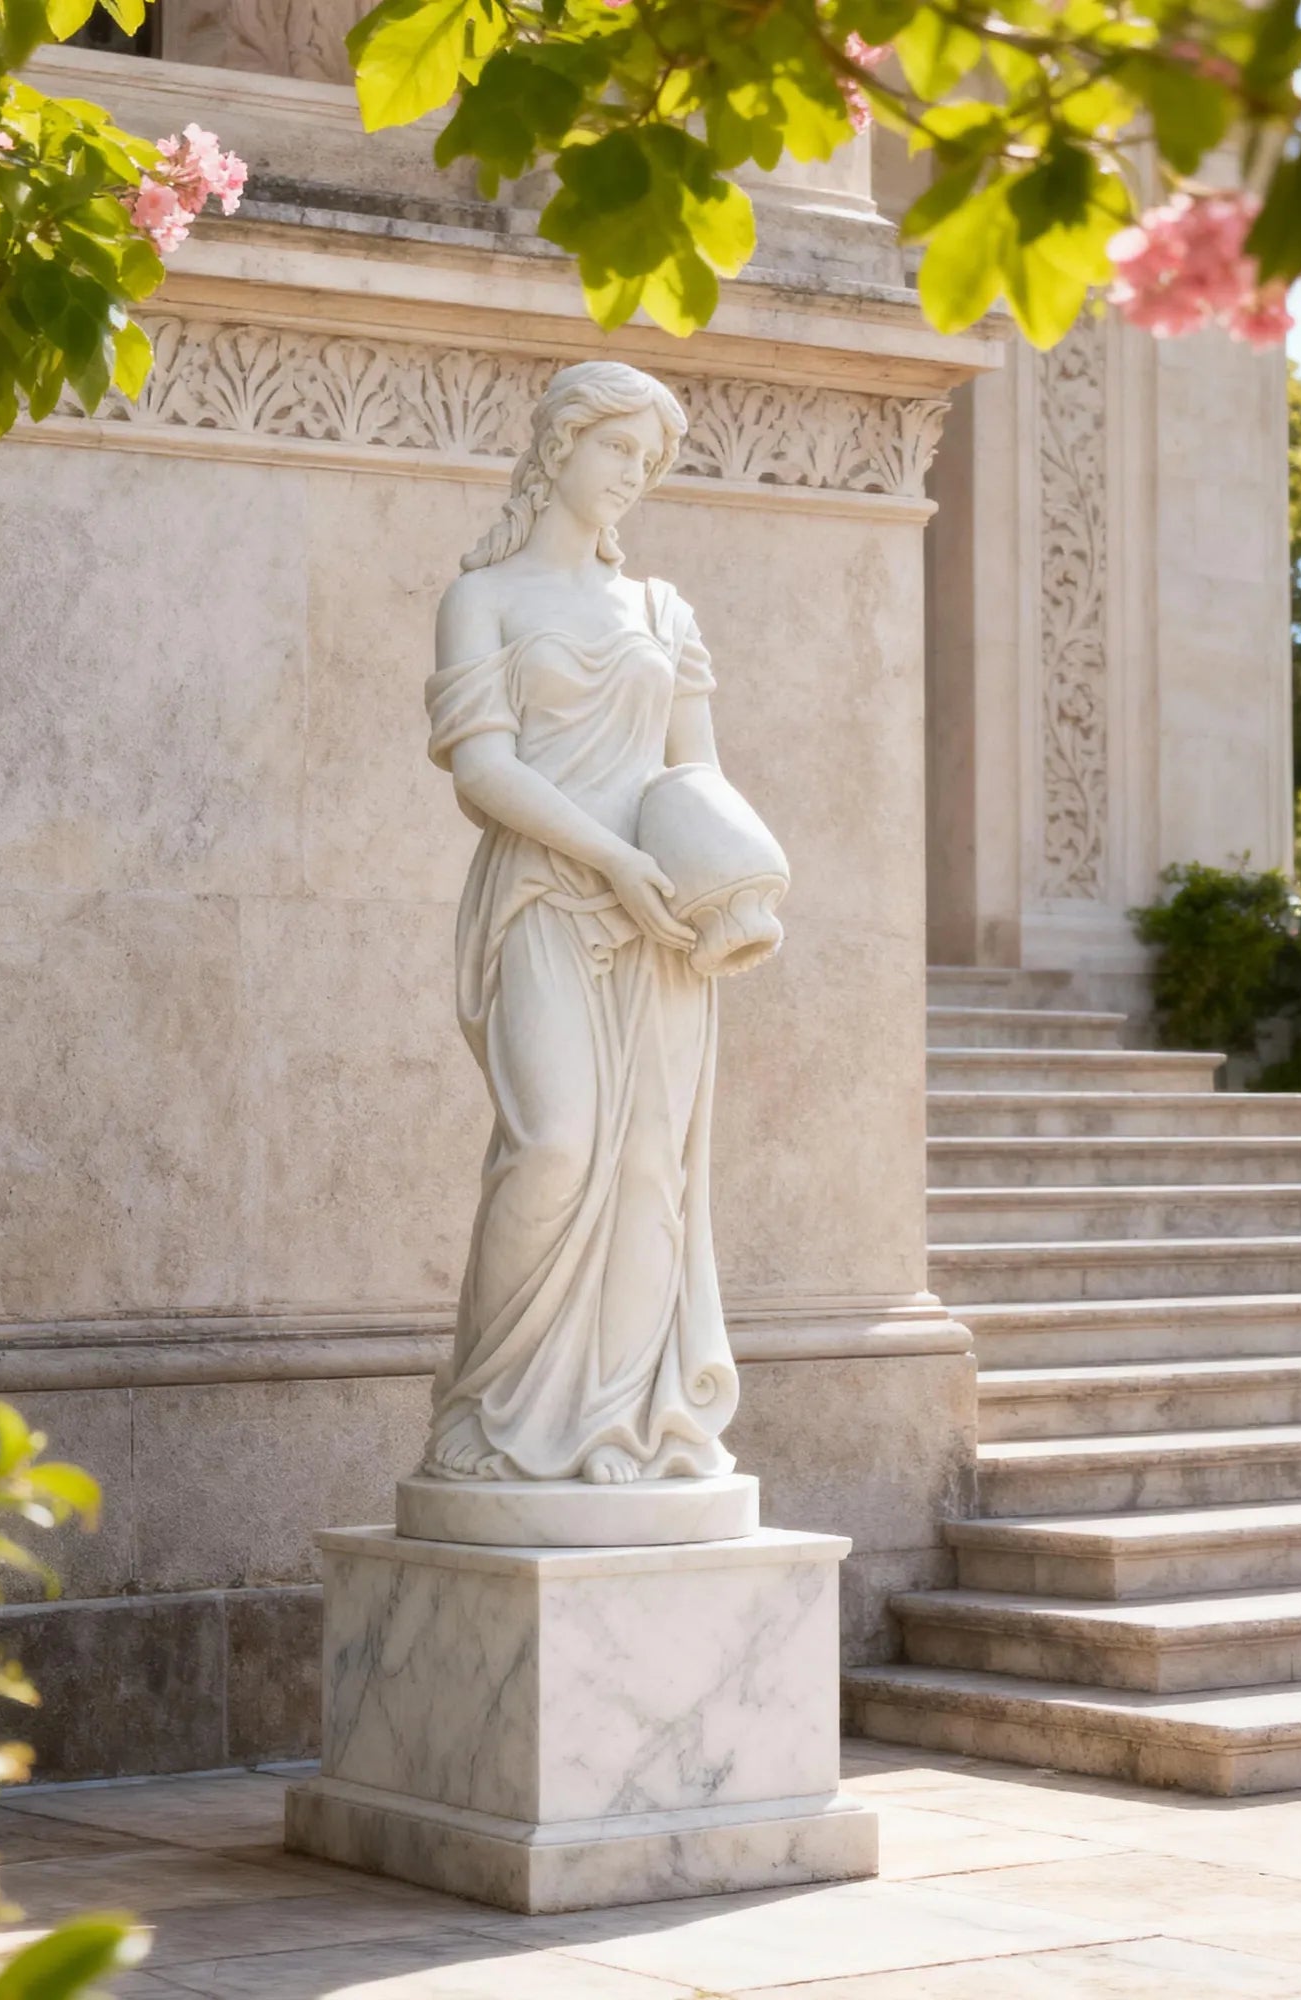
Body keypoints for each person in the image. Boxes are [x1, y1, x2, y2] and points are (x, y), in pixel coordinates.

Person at [421, 361, 740, 1486]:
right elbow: (481, 769)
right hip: (547, 901)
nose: (632, 477)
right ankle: (490, 1408)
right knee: (554, 1145)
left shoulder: (661, 610)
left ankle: (618, 1423)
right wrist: (609, 855)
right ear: (560, 445)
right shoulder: (486, 598)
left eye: (649, 463)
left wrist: (730, 886)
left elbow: (691, 769)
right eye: (618, 450)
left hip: (658, 924)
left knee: (652, 1166)